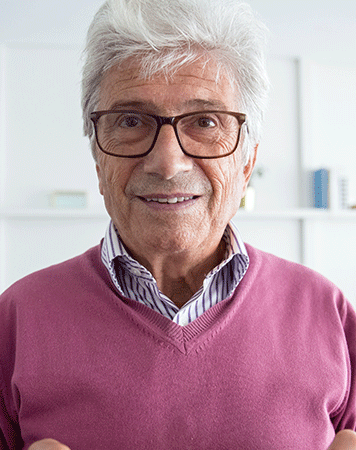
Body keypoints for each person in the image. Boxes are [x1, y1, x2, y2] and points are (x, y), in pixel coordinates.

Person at [1, 0, 355, 448]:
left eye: (205, 121)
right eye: (130, 120)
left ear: (247, 162)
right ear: (97, 156)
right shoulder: (15, 320)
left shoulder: (327, 312)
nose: (167, 162)